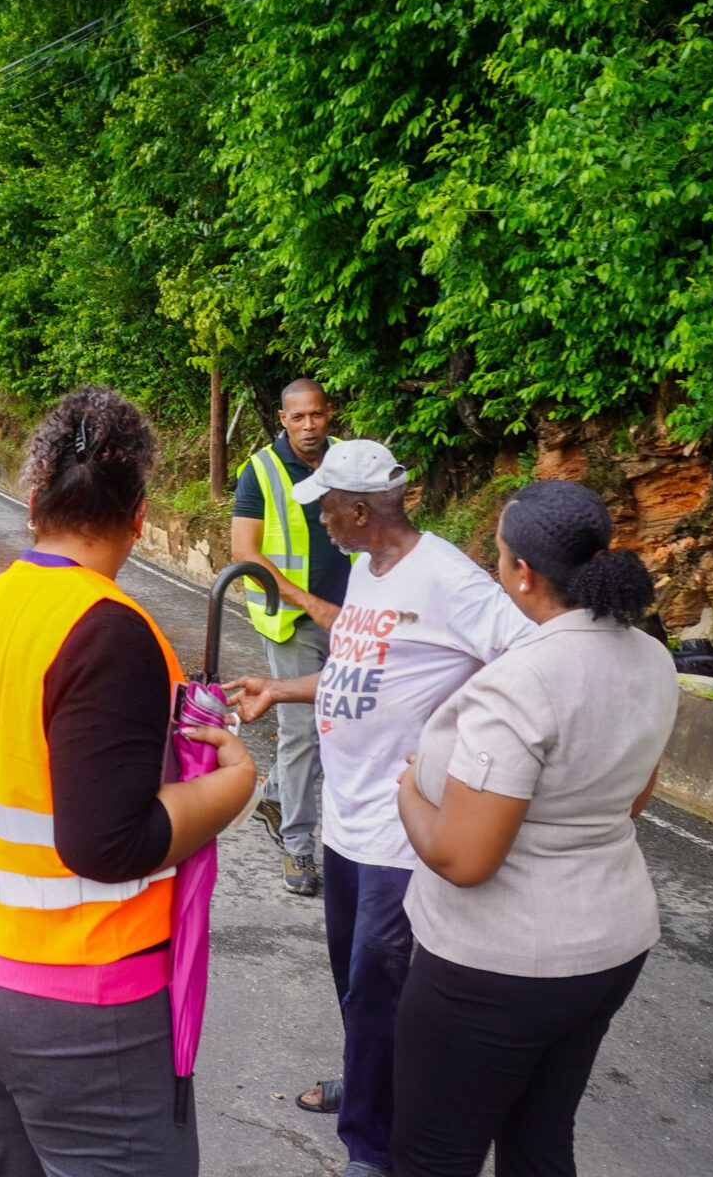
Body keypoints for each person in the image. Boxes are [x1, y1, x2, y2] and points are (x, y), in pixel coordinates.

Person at [0, 386, 258, 1177]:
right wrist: (234, 784)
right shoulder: (110, 632)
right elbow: (107, 842)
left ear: (33, 499)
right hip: (78, 990)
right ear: (140, 517)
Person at [228, 440, 533, 1177]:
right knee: (356, 982)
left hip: (403, 831)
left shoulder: (450, 580)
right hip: (349, 821)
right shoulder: (368, 570)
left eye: (327, 508)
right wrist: (284, 691)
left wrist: (462, 753)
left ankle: (372, 1148)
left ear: (361, 510)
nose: (322, 521)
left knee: (380, 985)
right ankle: (370, 1083)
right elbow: (360, 672)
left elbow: (532, 662)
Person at [390, 480, 676, 1177]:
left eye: (497, 553)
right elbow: (633, 799)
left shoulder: (523, 681)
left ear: (523, 572)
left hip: (499, 963)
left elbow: (463, 858)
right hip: (607, 947)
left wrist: (408, 794)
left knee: (431, 1156)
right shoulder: (650, 656)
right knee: (539, 1141)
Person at [231, 377, 351, 896]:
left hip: (352, 617)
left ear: (329, 415)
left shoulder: (350, 458)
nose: (308, 426)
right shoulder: (259, 471)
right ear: (283, 419)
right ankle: (299, 846)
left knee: (341, 722)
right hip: (294, 621)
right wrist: (311, 604)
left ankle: (277, 791)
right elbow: (246, 552)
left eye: (316, 416)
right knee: (303, 731)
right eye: (297, 417)